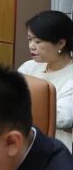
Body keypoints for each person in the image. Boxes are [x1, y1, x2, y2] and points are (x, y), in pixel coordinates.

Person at [18, 9, 73, 149]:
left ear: (61, 43)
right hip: (23, 140)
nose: (31, 46)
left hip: (54, 148)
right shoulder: (29, 66)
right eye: (30, 39)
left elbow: (60, 117)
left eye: (38, 41)